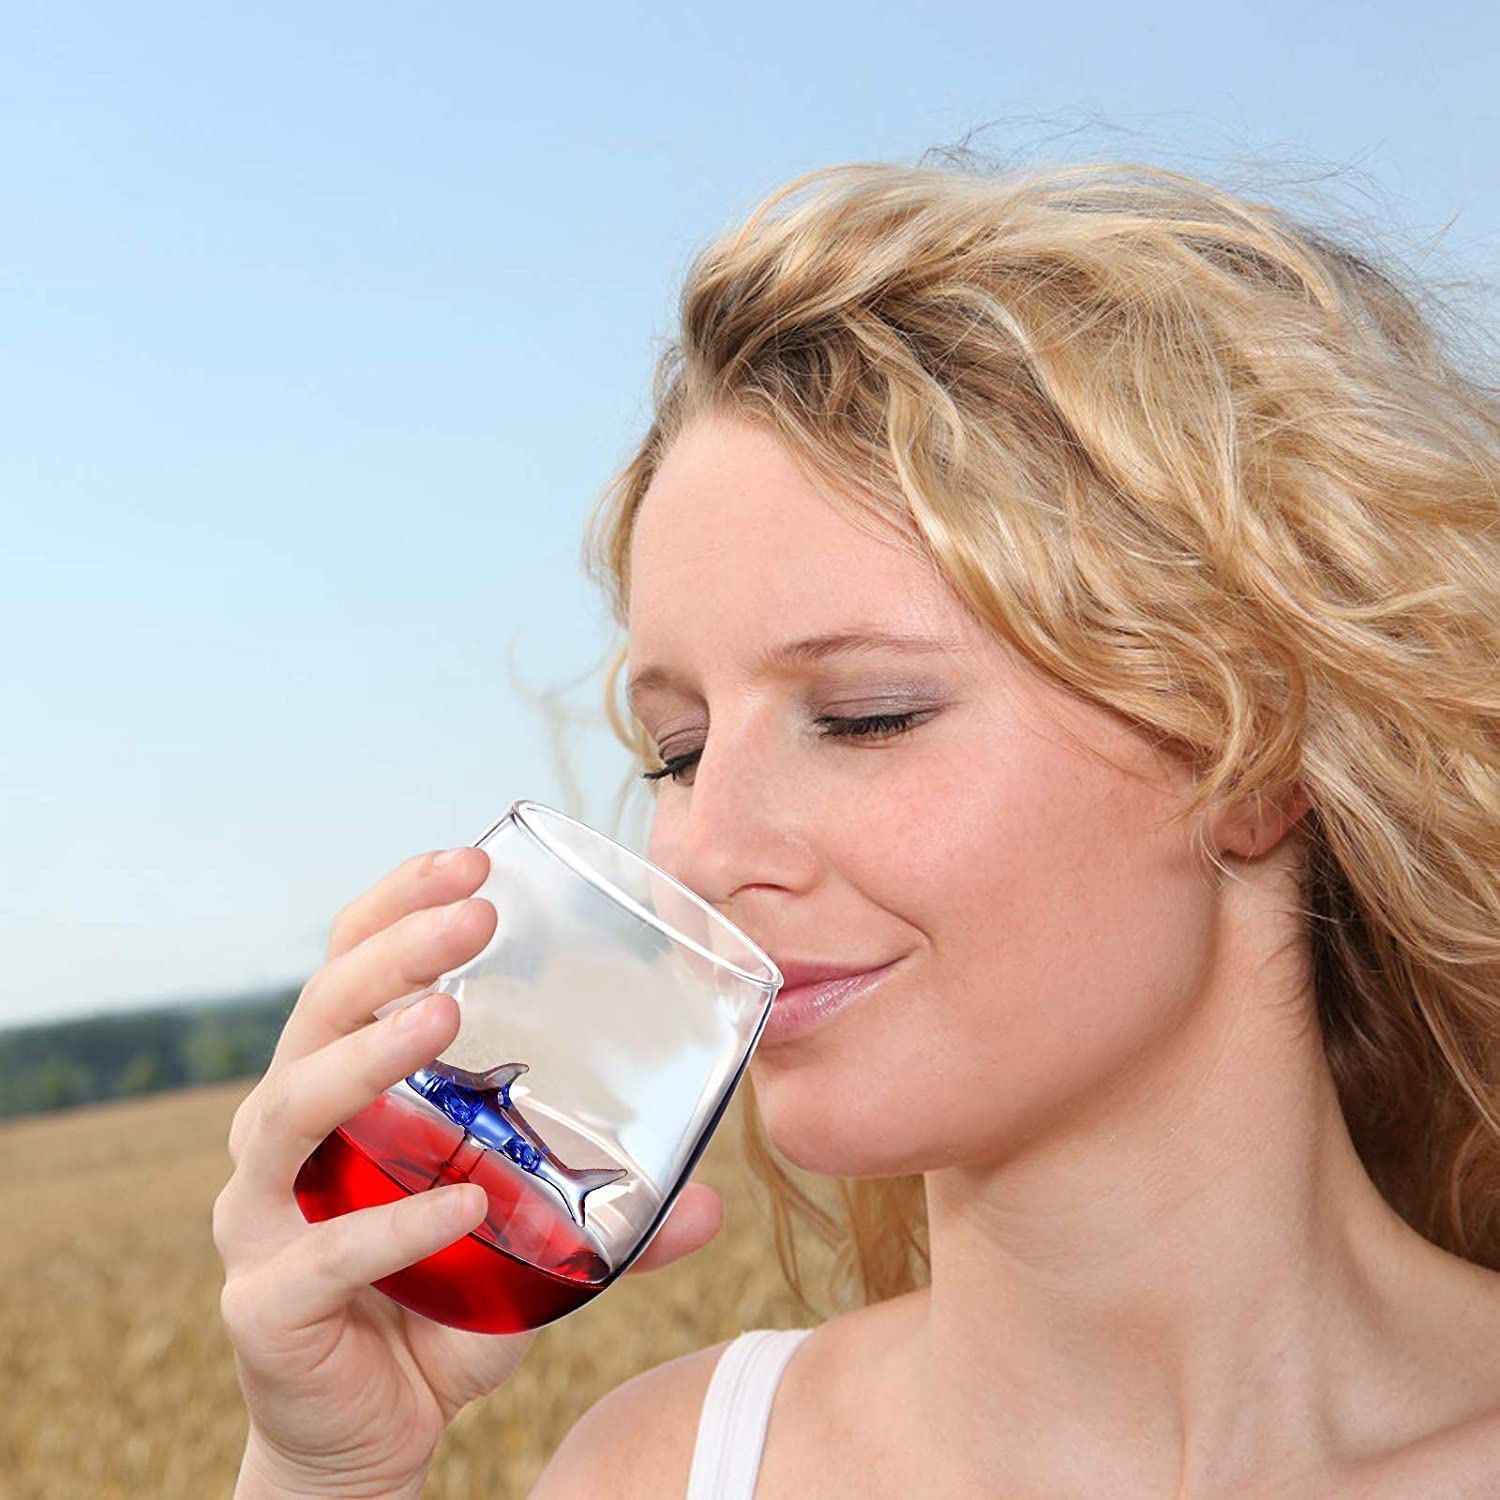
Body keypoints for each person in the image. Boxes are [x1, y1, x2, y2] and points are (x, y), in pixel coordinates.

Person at [214, 156, 1500, 1498]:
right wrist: (328, 1478)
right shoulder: (659, 1474)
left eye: (867, 715)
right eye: (681, 750)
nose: (703, 855)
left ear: (1255, 758)